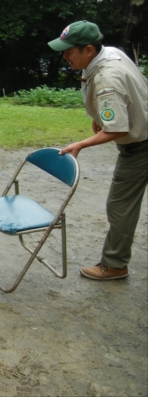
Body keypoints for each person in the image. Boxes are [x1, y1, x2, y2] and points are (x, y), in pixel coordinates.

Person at [48, 20, 148, 281]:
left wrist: (80, 144)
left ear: (89, 50)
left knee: (120, 206)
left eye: (69, 51)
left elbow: (118, 130)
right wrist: (102, 116)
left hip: (140, 147)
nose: (65, 56)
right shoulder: (112, 53)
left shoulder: (106, 77)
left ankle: (115, 265)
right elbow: (123, 99)